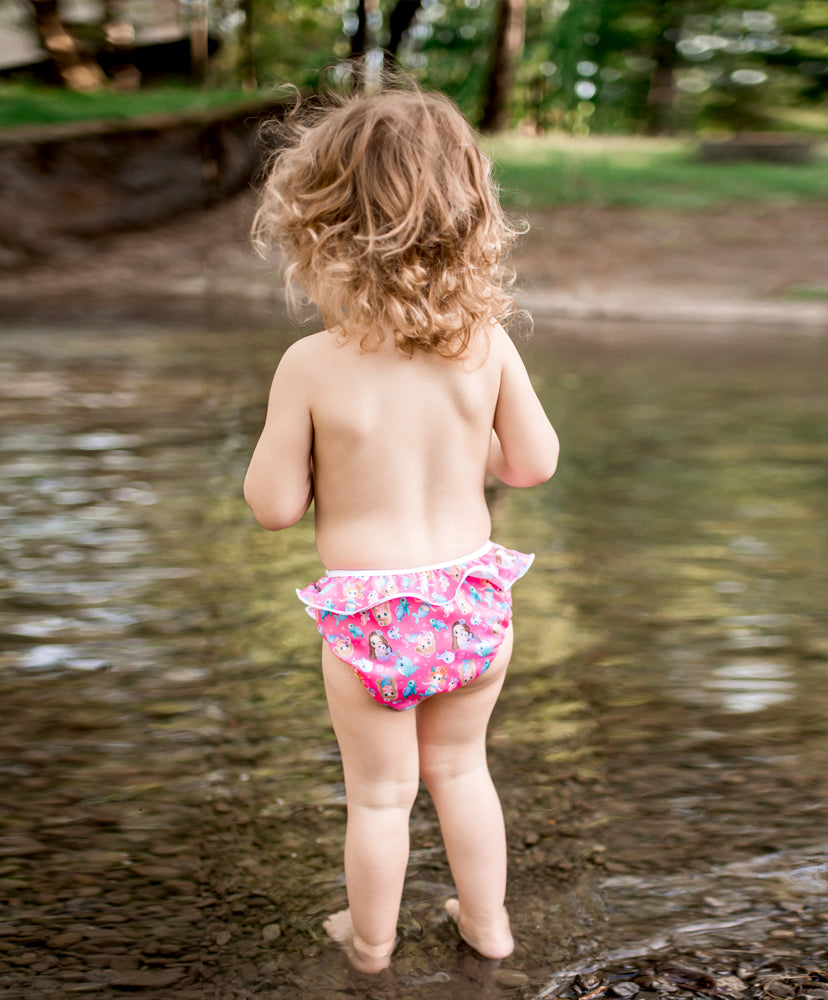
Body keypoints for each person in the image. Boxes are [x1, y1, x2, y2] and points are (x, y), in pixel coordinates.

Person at [243, 84, 559, 975]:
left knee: (380, 798)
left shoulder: (310, 364)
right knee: (462, 773)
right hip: (470, 598)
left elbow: (271, 506)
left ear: (321, 230)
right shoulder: (487, 342)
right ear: (470, 218)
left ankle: (373, 944)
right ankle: (488, 927)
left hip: (371, 616)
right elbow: (531, 465)